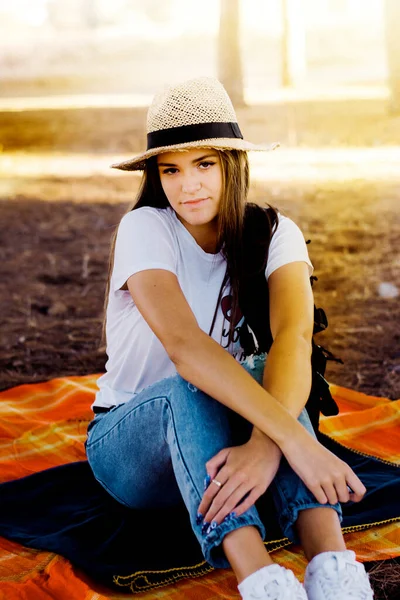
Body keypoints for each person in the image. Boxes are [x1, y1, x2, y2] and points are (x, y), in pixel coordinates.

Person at [85, 76, 374, 600]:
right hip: (132, 448)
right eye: (170, 169)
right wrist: (290, 441)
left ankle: (335, 573)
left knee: (269, 370)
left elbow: (294, 338)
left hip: (231, 445)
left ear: (232, 164)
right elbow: (184, 346)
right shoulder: (145, 228)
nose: (187, 185)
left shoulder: (272, 231)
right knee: (187, 385)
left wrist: (266, 445)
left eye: (204, 164)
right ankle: (261, 581)